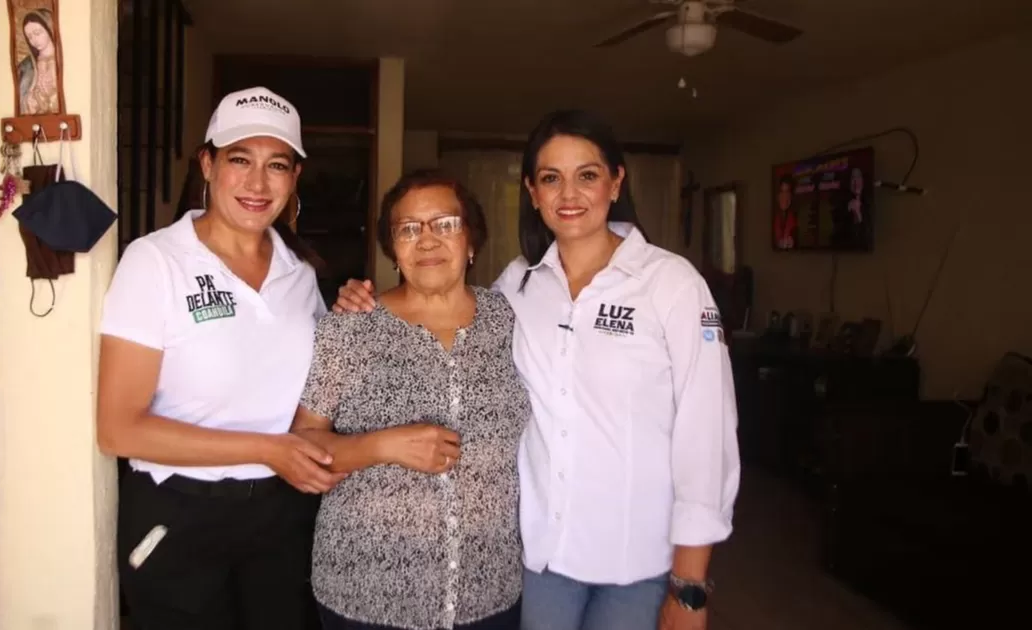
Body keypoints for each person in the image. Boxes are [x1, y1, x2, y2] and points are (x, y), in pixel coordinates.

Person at [334, 110, 740, 630]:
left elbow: (706, 435)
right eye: (551, 178)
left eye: (587, 175)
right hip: (541, 559)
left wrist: (689, 587)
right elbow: (441, 305)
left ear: (616, 182)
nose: (569, 194)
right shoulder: (517, 287)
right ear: (532, 191)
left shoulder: (670, 284)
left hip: (637, 561)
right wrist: (364, 301)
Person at [97, 86, 336, 630]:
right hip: (180, 515)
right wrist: (267, 449)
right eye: (239, 160)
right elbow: (118, 429)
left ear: (295, 177)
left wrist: (356, 316)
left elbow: (322, 387)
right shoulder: (155, 261)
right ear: (207, 164)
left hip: (280, 516)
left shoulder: (299, 274)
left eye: (277, 164)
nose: (257, 183)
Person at [291, 169, 528, 630]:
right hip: (367, 593)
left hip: (490, 588)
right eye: (409, 228)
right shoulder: (350, 328)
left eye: (445, 224)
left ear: (471, 240)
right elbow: (302, 442)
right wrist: (384, 445)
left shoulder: (510, 318)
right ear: (393, 250)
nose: (427, 240)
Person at [17, 9, 60, 115]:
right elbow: (22, 96)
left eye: (37, 33)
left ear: (49, 28)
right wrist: (29, 100)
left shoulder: (66, 58)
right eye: (30, 37)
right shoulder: (27, 65)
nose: (34, 40)